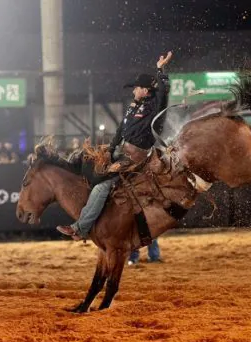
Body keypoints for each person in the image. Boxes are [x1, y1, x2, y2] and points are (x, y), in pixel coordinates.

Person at [57, 51, 173, 242]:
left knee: (101, 187)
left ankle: (81, 228)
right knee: (92, 173)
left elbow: (164, 91)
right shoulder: (134, 106)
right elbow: (121, 129)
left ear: (145, 90)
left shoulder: (154, 105)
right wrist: (110, 150)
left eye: (136, 88)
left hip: (136, 157)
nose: (133, 91)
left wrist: (160, 69)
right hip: (122, 152)